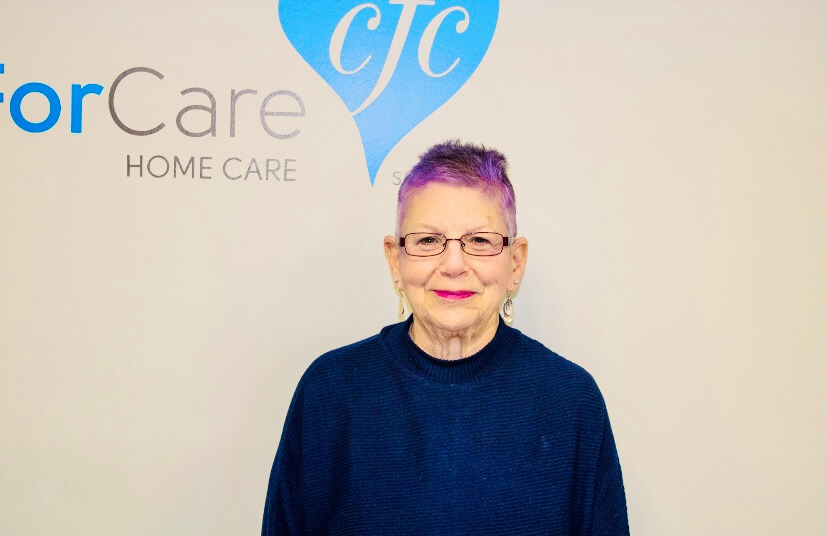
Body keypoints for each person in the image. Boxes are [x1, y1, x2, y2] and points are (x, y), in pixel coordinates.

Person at [262, 141, 629, 535]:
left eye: (480, 241)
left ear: (515, 262)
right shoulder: (330, 393)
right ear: (395, 260)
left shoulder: (571, 401)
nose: (454, 265)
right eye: (428, 241)